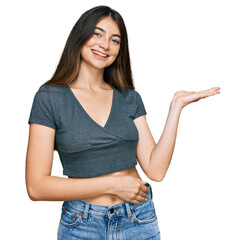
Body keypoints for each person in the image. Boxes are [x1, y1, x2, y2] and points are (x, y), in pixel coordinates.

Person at [25, 5, 220, 240]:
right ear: (80, 36)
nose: (105, 45)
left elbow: (155, 170)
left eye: (115, 40)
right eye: (97, 34)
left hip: (137, 218)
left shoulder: (129, 97)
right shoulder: (50, 98)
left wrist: (175, 108)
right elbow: (36, 187)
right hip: (82, 225)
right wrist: (112, 185)